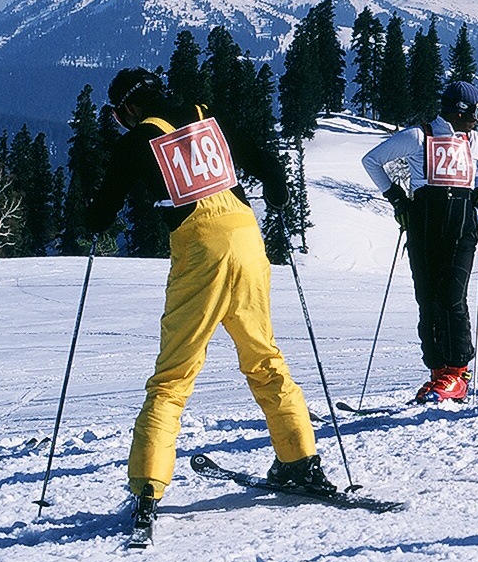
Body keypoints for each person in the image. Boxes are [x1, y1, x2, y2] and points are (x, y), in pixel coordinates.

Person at [87, 68, 328, 530]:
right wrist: (276, 192)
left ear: (130, 108)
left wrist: (93, 222)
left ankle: (147, 487)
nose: (121, 123)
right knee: (264, 358)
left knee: (173, 376)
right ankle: (300, 459)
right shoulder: (204, 114)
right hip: (248, 239)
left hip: (201, 251)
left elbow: (102, 209)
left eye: (119, 115)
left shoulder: (140, 138)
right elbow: (263, 157)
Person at [361, 80, 478, 402]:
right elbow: (371, 160)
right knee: (428, 299)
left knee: (451, 297)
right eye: (477, 111)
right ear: (460, 111)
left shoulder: (473, 140)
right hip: (423, 224)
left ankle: (458, 372)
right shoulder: (420, 136)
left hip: (461, 226)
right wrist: (397, 199)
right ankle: (438, 372)